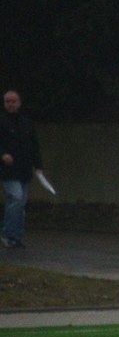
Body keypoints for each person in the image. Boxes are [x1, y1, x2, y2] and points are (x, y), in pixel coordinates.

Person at [1, 90, 44, 249]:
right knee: (16, 198)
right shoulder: (2, 122)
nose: (10, 104)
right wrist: (3, 154)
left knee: (20, 204)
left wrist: (38, 166)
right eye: (8, 101)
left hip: (24, 169)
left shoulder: (26, 122)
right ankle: (7, 234)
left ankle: (16, 236)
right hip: (9, 170)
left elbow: (34, 145)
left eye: (13, 101)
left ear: (19, 103)